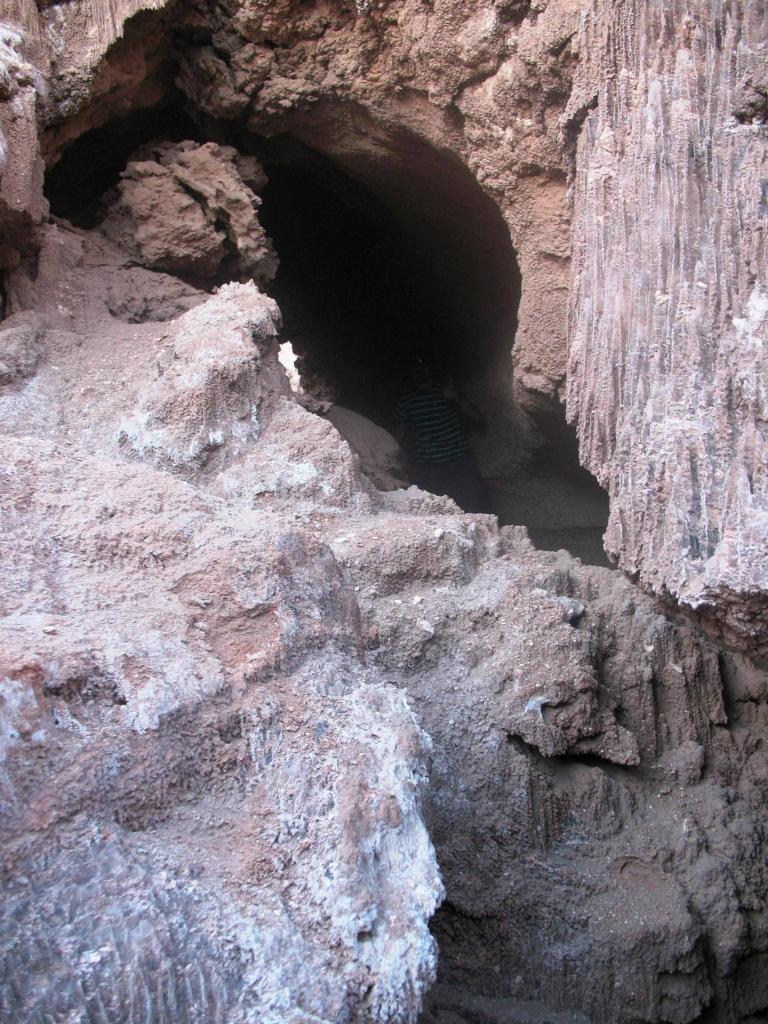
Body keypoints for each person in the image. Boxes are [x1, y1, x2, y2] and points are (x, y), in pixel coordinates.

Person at [395, 354, 488, 512]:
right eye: (415, 369)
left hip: (460, 460)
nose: (420, 371)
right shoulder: (406, 401)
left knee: (473, 504)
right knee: (438, 510)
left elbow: (476, 417)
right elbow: (399, 433)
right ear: (410, 373)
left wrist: (457, 397)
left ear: (429, 369)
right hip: (431, 467)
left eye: (423, 367)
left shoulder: (444, 391)